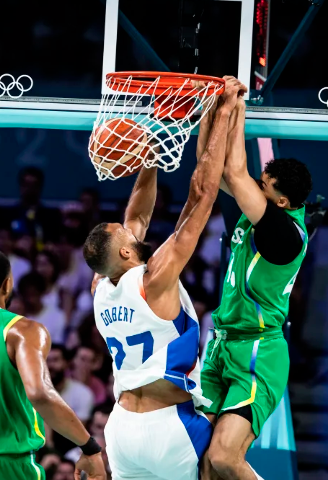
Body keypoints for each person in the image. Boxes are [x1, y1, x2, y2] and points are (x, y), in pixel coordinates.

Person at [83, 77, 247, 480]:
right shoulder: (154, 276)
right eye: (119, 231)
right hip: (168, 426)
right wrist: (223, 112)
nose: (126, 227)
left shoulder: (101, 286)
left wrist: (150, 155)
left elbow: (136, 215)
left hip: (120, 429)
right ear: (125, 251)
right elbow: (201, 195)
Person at [198, 96, 313, 479]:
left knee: (225, 457)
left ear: (280, 200)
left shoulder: (285, 233)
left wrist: (235, 107)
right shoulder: (260, 211)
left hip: (257, 351)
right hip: (222, 344)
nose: (252, 187)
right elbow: (212, 168)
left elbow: (233, 172)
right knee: (200, 458)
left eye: (261, 186)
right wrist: (209, 115)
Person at [0, 248, 106, 480]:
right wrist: (89, 447)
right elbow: (39, 394)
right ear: (8, 285)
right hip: (8, 466)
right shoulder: (22, 330)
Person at [47, 344, 95, 423]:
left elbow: (79, 431)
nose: (50, 365)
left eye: (55, 360)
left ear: (66, 363)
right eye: (46, 360)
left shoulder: (82, 393)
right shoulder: (29, 390)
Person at [18, 272, 67, 344]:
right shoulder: (18, 317)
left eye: (34, 294)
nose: (31, 300)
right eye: (28, 295)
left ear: (42, 292)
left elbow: (58, 345)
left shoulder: (57, 316)